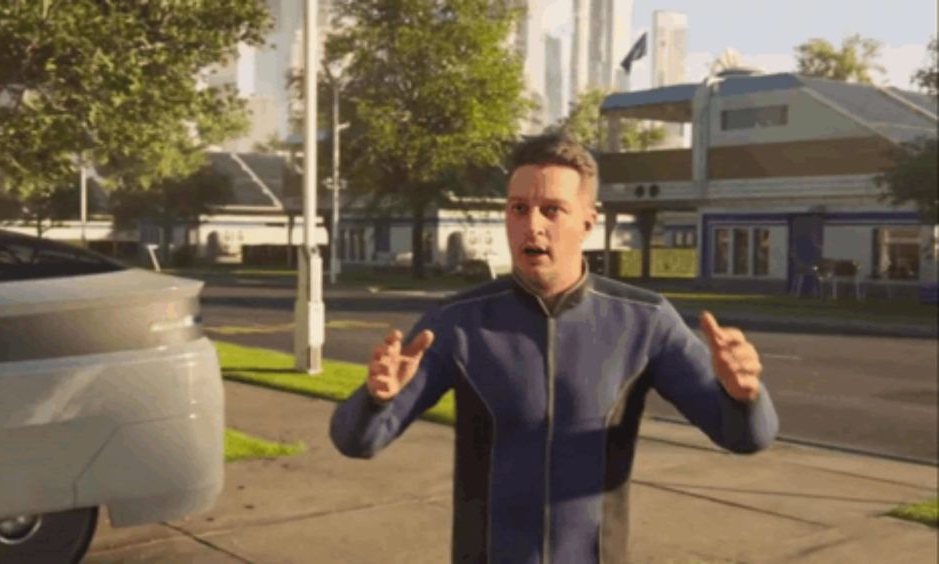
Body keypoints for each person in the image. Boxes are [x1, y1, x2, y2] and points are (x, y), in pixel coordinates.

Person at [329, 133, 779, 563]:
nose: (532, 226)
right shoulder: (458, 323)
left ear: (588, 220)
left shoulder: (645, 321)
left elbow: (745, 437)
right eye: (519, 208)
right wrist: (375, 398)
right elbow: (357, 441)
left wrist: (745, 396)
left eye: (552, 210)